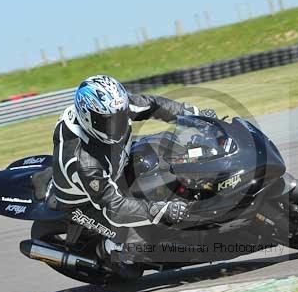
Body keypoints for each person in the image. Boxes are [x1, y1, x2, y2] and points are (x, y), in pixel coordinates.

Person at [51, 74, 216, 278]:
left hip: (114, 162)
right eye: (108, 122)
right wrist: (159, 210)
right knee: (137, 244)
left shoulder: (115, 108)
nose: (118, 124)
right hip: (84, 203)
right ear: (88, 117)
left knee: (164, 148)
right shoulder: (83, 161)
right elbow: (114, 208)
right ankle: (107, 251)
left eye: (120, 117)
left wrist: (193, 115)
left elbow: (155, 105)